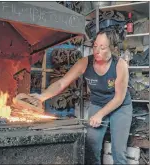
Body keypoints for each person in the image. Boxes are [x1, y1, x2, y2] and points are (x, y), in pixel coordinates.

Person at [28, 29, 133, 164]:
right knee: (91, 147)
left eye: (102, 47)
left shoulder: (120, 65)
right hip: (98, 103)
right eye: (95, 46)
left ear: (112, 48)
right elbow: (61, 83)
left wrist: (100, 115)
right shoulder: (85, 62)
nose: (97, 51)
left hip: (120, 107)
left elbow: (119, 98)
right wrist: (42, 97)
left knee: (118, 151)